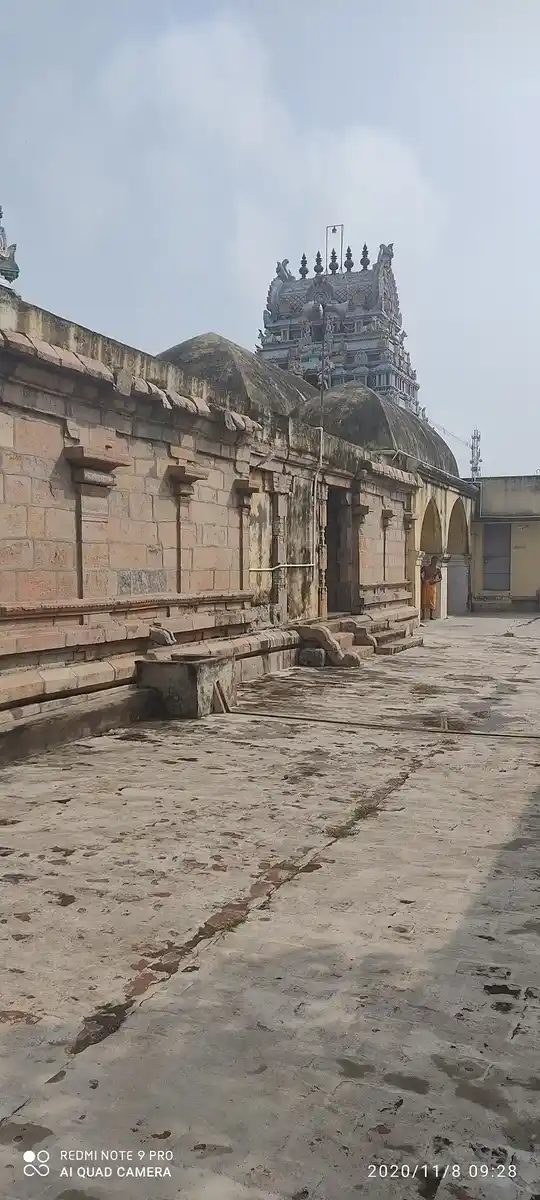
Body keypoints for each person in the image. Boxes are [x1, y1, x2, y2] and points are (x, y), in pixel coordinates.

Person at [420, 555, 442, 621]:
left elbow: (441, 578)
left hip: (433, 585)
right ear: (431, 560)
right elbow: (420, 572)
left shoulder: (437, 569)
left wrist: (435, 581)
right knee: (424, 599)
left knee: (432, 599)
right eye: (433, 560)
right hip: (426, 584)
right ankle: (423, 615)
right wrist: (422, 579)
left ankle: (431, 615)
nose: (434, 562)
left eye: (436, 561)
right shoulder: (426, 567)